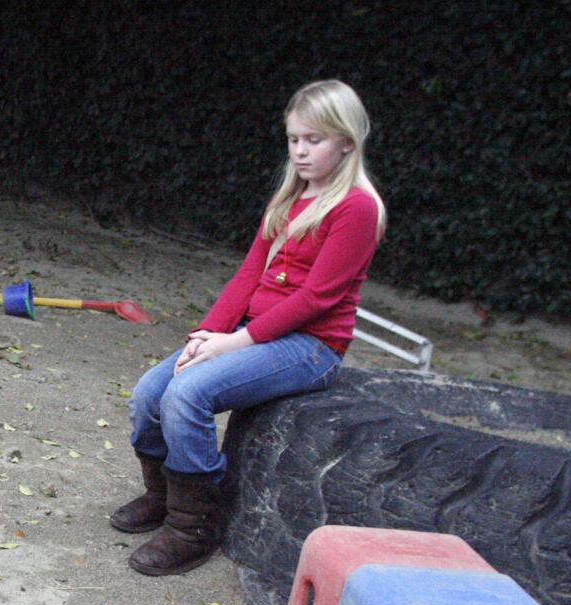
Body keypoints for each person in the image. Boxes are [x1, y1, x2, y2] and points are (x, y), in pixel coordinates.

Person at [111, 79, 386, 576]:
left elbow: (317, 298)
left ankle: (194, 526)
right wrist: (204, 335)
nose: (300, 151)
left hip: (310, 345)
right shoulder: (291, 196)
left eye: (314, 140)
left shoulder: (357, 208)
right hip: (252, 330)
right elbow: (249, 274)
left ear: (347, 140)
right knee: (149, 393)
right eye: (294, 139)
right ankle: (163, 496)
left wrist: (232, 343)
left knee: (187, 394)